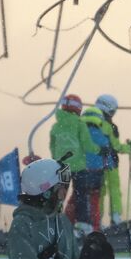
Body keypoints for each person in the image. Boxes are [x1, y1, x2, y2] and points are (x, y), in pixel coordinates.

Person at [48, 94, 99, 230]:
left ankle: (53, 221)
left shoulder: (56, 126)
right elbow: (87, 145)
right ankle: (82, 225)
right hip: (78, 167)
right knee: (81, 195)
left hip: (62, 166)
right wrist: (100, 149)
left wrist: (56, 160)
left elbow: (52, 146)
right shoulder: (79, 124)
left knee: (59, 194)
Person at [93, 94, 131, 226]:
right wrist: (129, 147)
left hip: (94, 164)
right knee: (114, 189)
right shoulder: (109, 126)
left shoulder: (89, 124)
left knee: (99, 191)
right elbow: (116, 146)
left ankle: (97, 219)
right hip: (110, 163)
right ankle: (115, 216)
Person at [78, 105, 109, 229]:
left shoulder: (80, 135)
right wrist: (107, 165)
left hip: (82, 171)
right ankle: (96, 226)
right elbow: (107, 154)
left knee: (79, 198)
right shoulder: (102, 136)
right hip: (97, 173)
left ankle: (75, 224)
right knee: (95, 199)